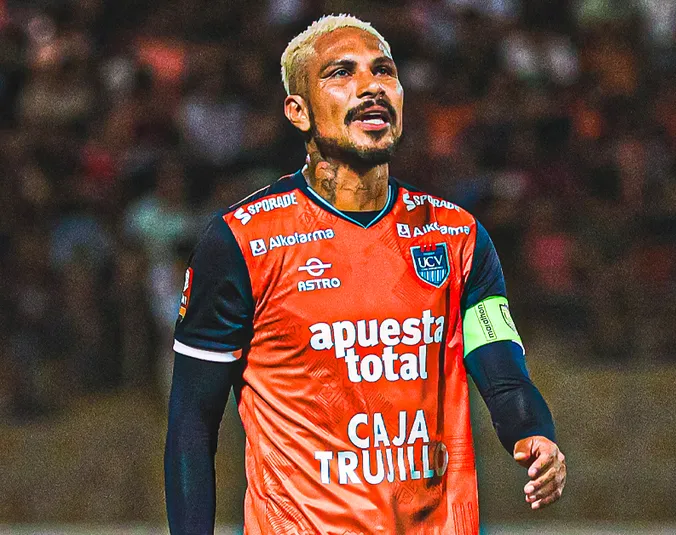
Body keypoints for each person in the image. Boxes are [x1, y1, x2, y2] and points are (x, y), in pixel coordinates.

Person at [164, 14, 566, 535]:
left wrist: (533, 431)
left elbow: (503, 369)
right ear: (299, 111)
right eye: (341, 73)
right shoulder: (241, 243)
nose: (371, 85)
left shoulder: (458, 236)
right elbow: (191, 423)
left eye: (384, 71)